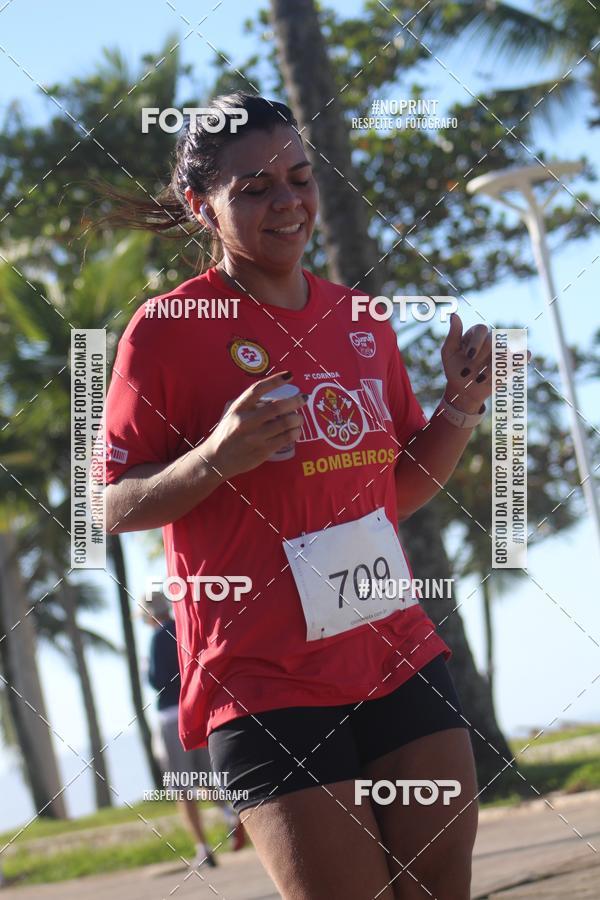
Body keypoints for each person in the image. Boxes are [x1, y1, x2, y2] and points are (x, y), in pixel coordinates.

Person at [99, 91, 495, 899]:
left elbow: (398, 490)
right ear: (199, 204)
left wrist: (459, 404)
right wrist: (214, 457)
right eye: (253, 188)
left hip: (397, 654)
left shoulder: (362, 320)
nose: (288, 203)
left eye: (300, 178)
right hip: (265, 684)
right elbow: (105, 503)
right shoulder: (166, 331)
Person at [140, 589, 245, 868]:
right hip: (195, 711)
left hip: (169, 717)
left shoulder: (156, 637)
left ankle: (203, 847)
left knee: (182, 787)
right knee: (206, 776)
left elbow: (155, 679)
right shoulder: (184, 628)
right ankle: (229, 814)